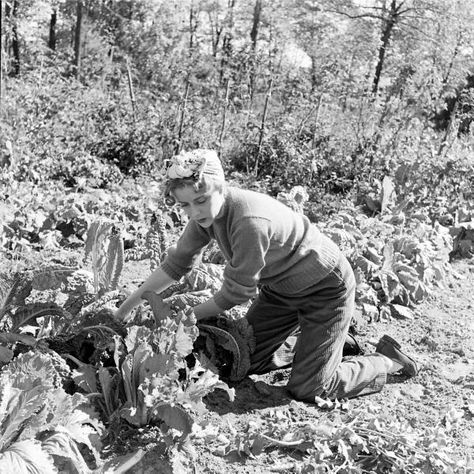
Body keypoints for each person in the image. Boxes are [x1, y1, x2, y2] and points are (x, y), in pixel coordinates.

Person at [115, 149, 418, 402]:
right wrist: (124, 309)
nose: (194, 211)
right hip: (281, 292)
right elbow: (176, 265)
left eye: (200, 200)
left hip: (326, 289)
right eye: (185, 205)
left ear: (221, 188)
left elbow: (234, 295)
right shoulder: (204, 216)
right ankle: (326, 343)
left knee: (309, 388)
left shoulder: (249, 221)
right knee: (244, 359)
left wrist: (183, 320)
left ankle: (387, 361)